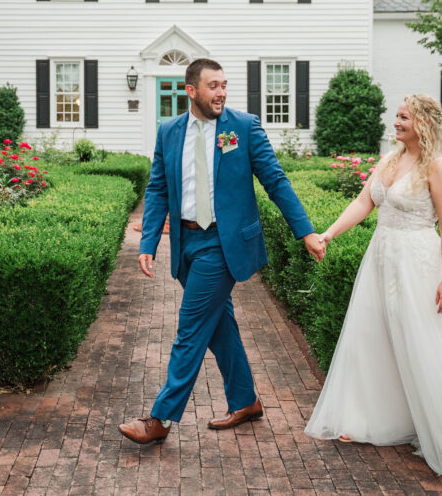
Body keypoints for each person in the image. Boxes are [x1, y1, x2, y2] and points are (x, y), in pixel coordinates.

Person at [119, 58, 326, 446]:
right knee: (219, 326)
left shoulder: (243, 127)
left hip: (222, 244)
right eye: (213, 86)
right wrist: (149, 241)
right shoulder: (169, 132)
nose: (221, 93)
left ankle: (160, 418)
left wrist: (306, 231)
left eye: (224, 85)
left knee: (191, 328)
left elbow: (275, 180)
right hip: (185, 243)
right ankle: (246, 401)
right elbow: (158, 188)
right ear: (191, 90)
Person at [303, 94, 442, 487]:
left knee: (421, 341)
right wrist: (328, 234)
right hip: (380, 259)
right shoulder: (389, 161)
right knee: (373, 335)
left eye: (404, 117)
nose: (397, 122)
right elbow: (362, 203)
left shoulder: (438, 168)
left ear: (422, 122)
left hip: (416, 262)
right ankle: (369, 417)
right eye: (398, 116)